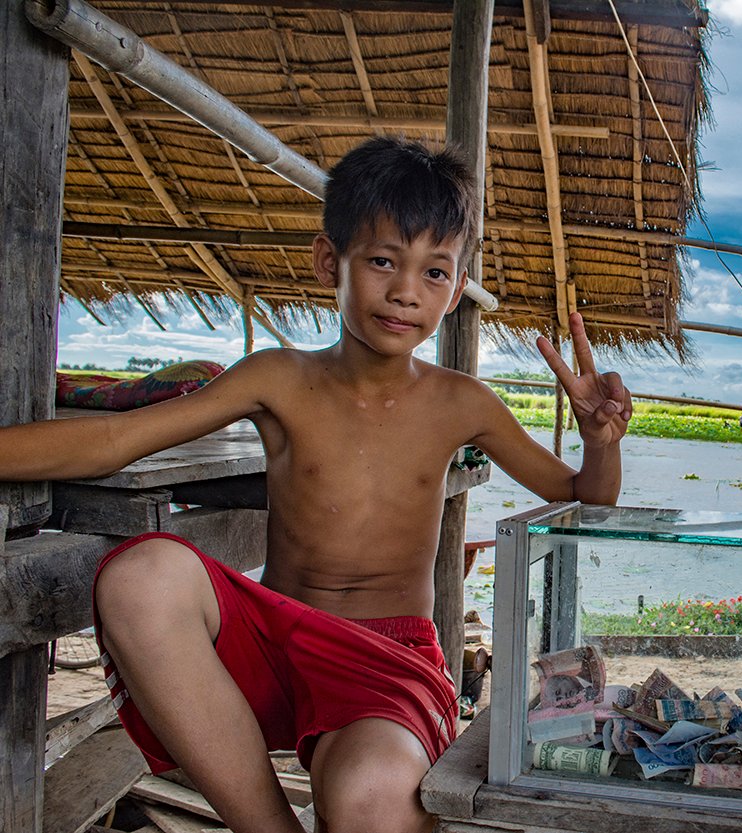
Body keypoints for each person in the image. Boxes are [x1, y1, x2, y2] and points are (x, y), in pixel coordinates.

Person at [0, 137, 632, 833]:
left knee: (370, 797)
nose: (404, 292)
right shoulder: (278, 377)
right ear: (329, 260)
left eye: (434, 273)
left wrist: (601, 442)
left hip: (388, 660)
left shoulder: (464, 402)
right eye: (384, 261)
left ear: (455, 289)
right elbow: (113, 441)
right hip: (274, 641)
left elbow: (586, 498)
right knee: (140, 576)